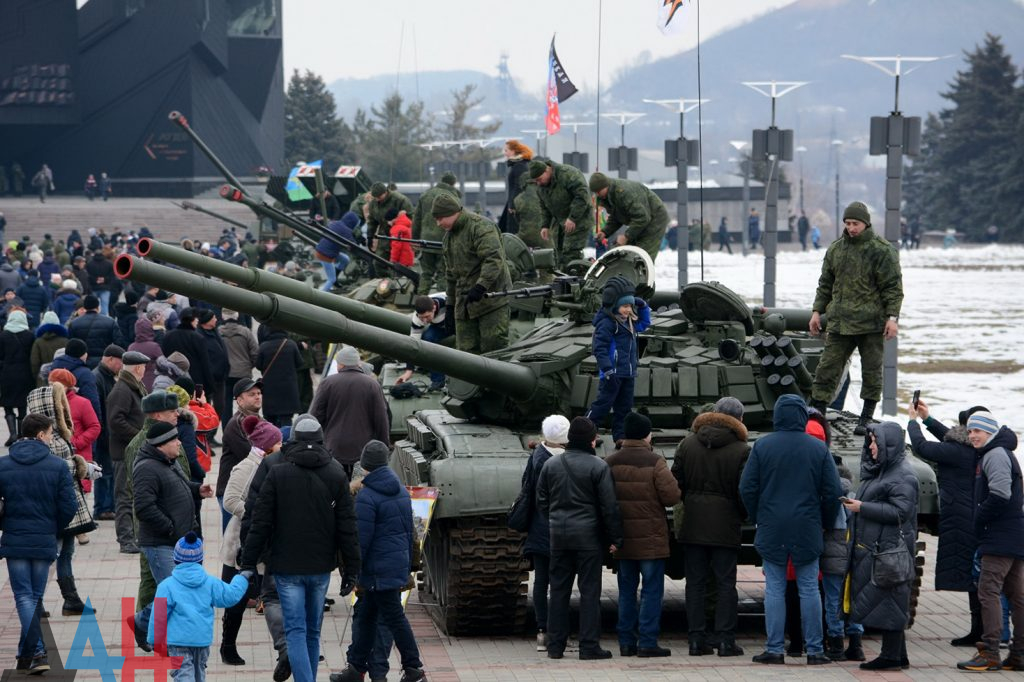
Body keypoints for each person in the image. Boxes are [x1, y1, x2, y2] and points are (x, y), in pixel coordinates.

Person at [241, 415, 361, 682]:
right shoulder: (335, 472)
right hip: (320, 566)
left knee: (295, 630)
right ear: (321, 440)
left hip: (285, 566)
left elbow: (259, 521)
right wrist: (351, 570)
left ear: (293, 438)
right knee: (312, 632)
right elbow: (348, 526)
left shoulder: (276, 470)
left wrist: (248, 561)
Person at [739, 394, 842, 665]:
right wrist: (825, 521)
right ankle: (815, 650)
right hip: (807, 526)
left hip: (772, 525)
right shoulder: (818, 449)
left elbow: (747, 487)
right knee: (809, 588)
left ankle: (774, 649)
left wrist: (758, 515)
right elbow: (833, 492)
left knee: (774, 588)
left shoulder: (763, 446)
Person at [334, 441, 426, 682]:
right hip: (393, 565)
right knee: (367, 616)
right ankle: (355, 668)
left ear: (365, 466)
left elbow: (361, 541)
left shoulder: (367, 496)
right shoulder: (400, 491)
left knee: (394, 619)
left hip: (377, 570)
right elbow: (409, 532)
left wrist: (353, 571)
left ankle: (414, 669)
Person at [809, 201, 903, 434]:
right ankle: (817, 413)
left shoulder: (881, 250)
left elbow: (893, 287)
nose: (851, 228)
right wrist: (817, 312)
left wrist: (892, 318)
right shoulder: (836, 249)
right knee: (826, 368)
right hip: (840, 323)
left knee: (871, 372)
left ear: (866, 223)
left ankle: (866, 417)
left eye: (855, 223)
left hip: (871, 324)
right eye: (848, 223)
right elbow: (825, 284)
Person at [536, 417, 623, 660]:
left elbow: (541, 501)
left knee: (558, 591)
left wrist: (555, 519)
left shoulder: (551, 465)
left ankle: (555, 646)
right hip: (588, 538)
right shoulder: (598, 466)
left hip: (558, 536)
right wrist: (615, 537)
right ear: (591, 441)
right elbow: (609, 507)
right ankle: (589, 646)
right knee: (589, 592)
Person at [127, 422, 214, 653]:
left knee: (174, 593)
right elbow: (144, 507)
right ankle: (167, 640)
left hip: (176, 541)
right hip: (161, 543)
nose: (179, 443)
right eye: (174, 440)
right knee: (177, 593)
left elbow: (178, 487)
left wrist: (196, 490)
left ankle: (141, 622)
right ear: (161, 444)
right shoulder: (146, 468)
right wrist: (171, 528)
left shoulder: (168, 462)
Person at [672, 397, 750, 656]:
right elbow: (744, 490)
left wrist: (690, 503)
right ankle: (726, 640)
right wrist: (740, 514)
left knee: (695, 584)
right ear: (738, 419)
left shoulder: (687, 444)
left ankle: (696, 640)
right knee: (726, 583)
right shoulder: (741, 449)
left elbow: (676, 483)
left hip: (693, 523)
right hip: (725, 525)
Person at [0, 413, 77, 674]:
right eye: (51, 433)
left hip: (15, 538)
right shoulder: (58, 466)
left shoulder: (4, 464)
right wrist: (53, 527)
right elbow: (69, 506)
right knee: (33, 596)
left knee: (25, 596)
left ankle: (30, 652)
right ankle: (36, 652)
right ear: (41, 434)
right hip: (44, 538)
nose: (52, 438)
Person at [908, 399, 985, 647]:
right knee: (977, 577)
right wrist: (927, 419)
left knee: (975, 579)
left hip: (961, 519)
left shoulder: (957, 451)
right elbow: (950, 438)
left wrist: (912, 422)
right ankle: (981, 631)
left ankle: (982, 632)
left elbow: (922, 447)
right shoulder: (977, 448)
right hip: (972, 516)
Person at [842, 422, 919, 670]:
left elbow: (900, 512)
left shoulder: (902, 475)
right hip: (879, 549)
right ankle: (899, 655)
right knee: (890, 601)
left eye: (876, 442)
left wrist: (862, 507)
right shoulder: (882, 471)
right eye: (872, 441)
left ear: (890, 445)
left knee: (891, 601)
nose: (871, 446)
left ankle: (890, 657)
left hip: (889, 550)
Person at [605, 412, 680, 658]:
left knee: (626, 592)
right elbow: (671, 497)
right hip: (651, 539)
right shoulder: (655, 462)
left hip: (623, 539)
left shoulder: (610, 461)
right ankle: (647, 642)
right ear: (647, 435)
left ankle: (626, 642)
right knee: (651, 591)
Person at [956, 412, 1024, 671]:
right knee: (1017, 596)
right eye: (970, 431)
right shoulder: (1000, 451)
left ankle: (990, 652)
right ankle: (1019, 654)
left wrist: (978, 517)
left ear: (990, 432)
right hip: (1013, 533)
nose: (972, 435)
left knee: (988, 592)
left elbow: (1000, 494)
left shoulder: (994, 454)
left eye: (978, 431)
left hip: (999, 536)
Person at [25, 379, 99, 616]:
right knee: (52, 554)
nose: (65, 408)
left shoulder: (52, 436)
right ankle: (38, 601)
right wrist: (82, 466)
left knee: (65, 552)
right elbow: (55, 469)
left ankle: (70, 599)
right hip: (55, 508)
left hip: (63, 507)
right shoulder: (48, 440)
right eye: (60, 405)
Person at [220, 416, 282, 666]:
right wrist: (259, 513)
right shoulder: (247, 467)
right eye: (278, 442)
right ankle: (228, 647)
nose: (282, 446)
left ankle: (290, 646)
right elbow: (230, 501)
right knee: (236, 599)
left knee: (278, 597)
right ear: (267, 445)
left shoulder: (272, 464)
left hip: (265, 541)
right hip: (240, 543)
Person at [145, 532, 249, 681]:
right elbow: (230, 596)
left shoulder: (166, 586)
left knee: (183, 674)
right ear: (200, 560)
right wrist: (242, 577)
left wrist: (154, 640)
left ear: (175, 559)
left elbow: (158, 617)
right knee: (199, 673)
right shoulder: (210, 583)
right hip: (201, 640)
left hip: (177, 641)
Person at [806, 413, 864, 661]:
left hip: (830, 555)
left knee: (832, 599)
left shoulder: (825, 495)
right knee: (853, 597)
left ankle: (836, 644)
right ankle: (856, 644)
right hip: (851, 554)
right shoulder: (851, 497)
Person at [433, 193, 512, 354]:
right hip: (464, 304)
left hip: (491, 299)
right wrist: (450, 305)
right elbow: (451, 274)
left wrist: (481, 286)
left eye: (440, 218)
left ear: (452, 213)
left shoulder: (480, 227)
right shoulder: (448, 238)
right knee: (465, 352)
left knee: (493, 347)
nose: (438, 223)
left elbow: (493, 259)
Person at [520, 415, 569, 652]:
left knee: (542, 580)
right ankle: (558, 631)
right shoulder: (567, 460)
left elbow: (526, 487)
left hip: (540, 528)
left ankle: (543, 631)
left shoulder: (536, 455)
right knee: (561, 582)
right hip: (564, 528)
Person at [585, 276, 650, 443]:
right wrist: (607, 370)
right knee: (602, 405)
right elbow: (599, 349)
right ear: (614, 305)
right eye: (625, 306)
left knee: (624, 408)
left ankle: (620, 436)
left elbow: (644, 323)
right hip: (612, 373)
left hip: (628, 373)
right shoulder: (607, 323)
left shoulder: (628, 322)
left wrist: (642, 306)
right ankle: (586, 432)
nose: (628, 310)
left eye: (630, 306)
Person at [310, 346, 390, 476]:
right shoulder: (372, 384)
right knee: (360, 485)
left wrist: (315, 444)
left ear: (340, 364)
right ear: (358, 363)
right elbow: (381, 419)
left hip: (334, 447)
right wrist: (384, 446)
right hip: (363, 449)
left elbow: (316, 416)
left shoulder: (328, 383)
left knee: (337, 484)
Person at [106, 350, 151, 553]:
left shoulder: (134, 386)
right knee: (124, 496)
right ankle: (126, 540)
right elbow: (115, 421)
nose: (145, 370)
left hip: (133, 451)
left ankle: (134, 536)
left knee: (133, 496)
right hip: (124, 453)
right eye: (144, 367)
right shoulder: (122, 390)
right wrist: (139, 436)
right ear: (138, 368)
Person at [589, 172, 669, 263]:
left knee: (642, 256)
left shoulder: (624, 193)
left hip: (654, 219)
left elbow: (642, 218)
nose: (597, 194)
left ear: (606, 185)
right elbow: (616, 216)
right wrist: (605, 232)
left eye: (599, 191)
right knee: (627, 253)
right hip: (640, 219)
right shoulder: (607, 196)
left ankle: (639, 271)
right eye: (595, 192)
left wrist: (626, 236)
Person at [529, 159, 594, 269]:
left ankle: (577, 275)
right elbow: (544, 207)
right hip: (559, 222)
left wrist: (572, 218)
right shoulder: (541, 187)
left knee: (570, 254)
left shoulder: (568, 174)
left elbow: (582, 197)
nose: (538, 183)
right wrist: (545, 225)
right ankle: (565, 276)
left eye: (539, 179)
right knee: (559, 256)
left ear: (547, 170)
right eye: (536, 181)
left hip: (579, 219)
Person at [216, 378, 262, 531]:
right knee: (232, 541)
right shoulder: (237, 424)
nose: (257, 396)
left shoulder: (258, 420)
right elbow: (253, 456)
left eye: (259, 393)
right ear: (239, 401)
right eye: (251, 394)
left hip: (248, 490)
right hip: (232, 493)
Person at [411, 173, 459, 294]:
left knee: (426, 273)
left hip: (426, 241)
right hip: (443, 241)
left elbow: (416, 220)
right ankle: (441, 300)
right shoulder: (452, 196)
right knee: (443, 273)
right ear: (453, 183)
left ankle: (421, 299)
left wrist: (415, 239)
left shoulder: (425, 195)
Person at [92, 344, 124, 519]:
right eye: (120, 363)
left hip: (108, 434)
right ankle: (103, 509)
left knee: (110, 472)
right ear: (110, 359)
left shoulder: (108, 377)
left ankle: (109, 507)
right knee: (104, 474)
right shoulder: (98, 377)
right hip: (104, 435)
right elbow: (99, 411)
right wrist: (104, 435)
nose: (121, 367)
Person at [395, 294, 450, 391]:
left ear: (434, 308)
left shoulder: (446, 302)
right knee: (427, 340)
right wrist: (409, 370)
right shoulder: (417, 318)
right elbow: (413, 345)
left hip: (458, 319)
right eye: (422, 318)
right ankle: (438, 380)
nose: (424, 321)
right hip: (440, 326)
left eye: (427, 316)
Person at [256, 326, 303, 428]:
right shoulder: (291, 344)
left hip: (270, 389)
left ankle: (272, 437)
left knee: (270, 420)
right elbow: (299, 363)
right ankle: (285, 437)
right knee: (286, 419)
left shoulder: (264, 346)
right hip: (288, 388)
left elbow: (258, 365)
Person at [1, 310, 36, 446]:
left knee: (7, 403)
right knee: (22, 404)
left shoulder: (3, 335)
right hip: (25, 373)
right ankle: (21, 434)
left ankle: (12, 434)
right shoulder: (30, 335)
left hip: (7, 373)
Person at [161, 309, 214, 394]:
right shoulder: (198, 338)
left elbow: (164, 356)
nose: (197, 321)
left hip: (172, 378)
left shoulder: (168, 336)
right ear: (191, 320)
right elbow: (205, 363)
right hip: (196, 381)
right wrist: (210, 385)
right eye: (196, 318)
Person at [50, 337, 102, 422]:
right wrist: (97, 422)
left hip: (57, 418)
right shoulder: (85, 373)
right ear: (83, 355)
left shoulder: (54, 368)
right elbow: (92, 399)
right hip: (79, 419)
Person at [68, 294, 123, 368]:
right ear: (98, 307)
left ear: (85, 307)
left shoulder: (74, 323)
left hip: (82, 361)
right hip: (104, 361)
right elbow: (119, 343)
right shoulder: (110, 322)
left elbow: (71, 344)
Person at [195, 310, 229, 428]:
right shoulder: (199, 335)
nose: (216, 319)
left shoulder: (215, 333)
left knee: (220, 406)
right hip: (207, 379)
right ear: (207, 321)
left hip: (220, 378)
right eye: (213, 318)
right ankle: (207, 431)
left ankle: (212, 429)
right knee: (205, 406)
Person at [219, 309, 258, 404]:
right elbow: (255, 353)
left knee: (226, 402)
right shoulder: (246, 332)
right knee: (245, 402)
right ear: (237, 315)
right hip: (243, 372)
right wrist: (249, 365)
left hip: (225, 372)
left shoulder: (218, 332)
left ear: (223, 316)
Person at [367, 182, 414, 261]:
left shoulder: (400, 200)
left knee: (398, 262)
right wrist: (370, 236)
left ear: (385, 192)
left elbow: (410, 217)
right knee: (379, 262)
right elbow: (372, 221)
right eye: (375, 197)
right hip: (384, 237)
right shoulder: (374, 203)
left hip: (400, 237)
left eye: (379, 196)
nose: (377, 199)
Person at [314, 212, 358, 292]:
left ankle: (336, 276)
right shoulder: (347, 231)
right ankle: (320, 295)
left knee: (345, 259)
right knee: (331, 279)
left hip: (323, 250)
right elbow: (353, 245)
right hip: (325, 255)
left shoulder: (335, 223)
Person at [498, 140, 532, 235]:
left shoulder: (519, 166)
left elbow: (518, 186)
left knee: (511, 229)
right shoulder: (519, 164)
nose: (505, 153)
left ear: (513, 151)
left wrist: (513, 204)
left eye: (506, 150)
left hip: (515, 204)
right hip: (513, 202)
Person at [128, 315, 164, 390]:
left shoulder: (131, 347)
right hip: (151, 384)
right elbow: (163, 364)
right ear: (149, 329)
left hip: (134, 385)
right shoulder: (154, 347)